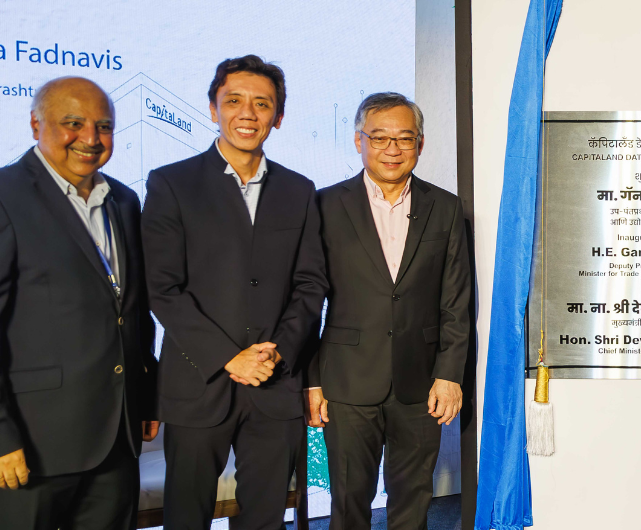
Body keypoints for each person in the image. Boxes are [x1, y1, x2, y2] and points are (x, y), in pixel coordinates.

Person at [0, 76, 158, 530]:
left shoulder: (124, 199)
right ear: (35, 124)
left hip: (115, 441)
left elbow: (132, 312)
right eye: (72, 123)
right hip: (27, 447)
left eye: (104, 126)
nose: (90, 138)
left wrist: (146, 397)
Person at [142, 55, 326, 530]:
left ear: (278, 117)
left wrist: (274, 354)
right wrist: (230, 357)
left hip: (275, 380)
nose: (248, 113)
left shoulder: (299, 189)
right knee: (187, 515)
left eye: (262, 104)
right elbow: (163, 288)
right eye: (234, 101)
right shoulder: (171, 183)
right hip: (198, 382)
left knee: (265, 517)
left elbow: (310, 285)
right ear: (213, 109)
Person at [304, 92, 470, 530]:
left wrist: (450, 374)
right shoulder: (323, 206)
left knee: (413, 499)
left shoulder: (446, 208)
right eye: (379, 138)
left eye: (404, 138)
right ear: (359, 141)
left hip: (422, 383)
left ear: (421, 144)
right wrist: (311, 380)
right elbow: (304, 302)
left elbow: (456, 299)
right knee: (348, 501)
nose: (392, 149)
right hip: (346, 380)